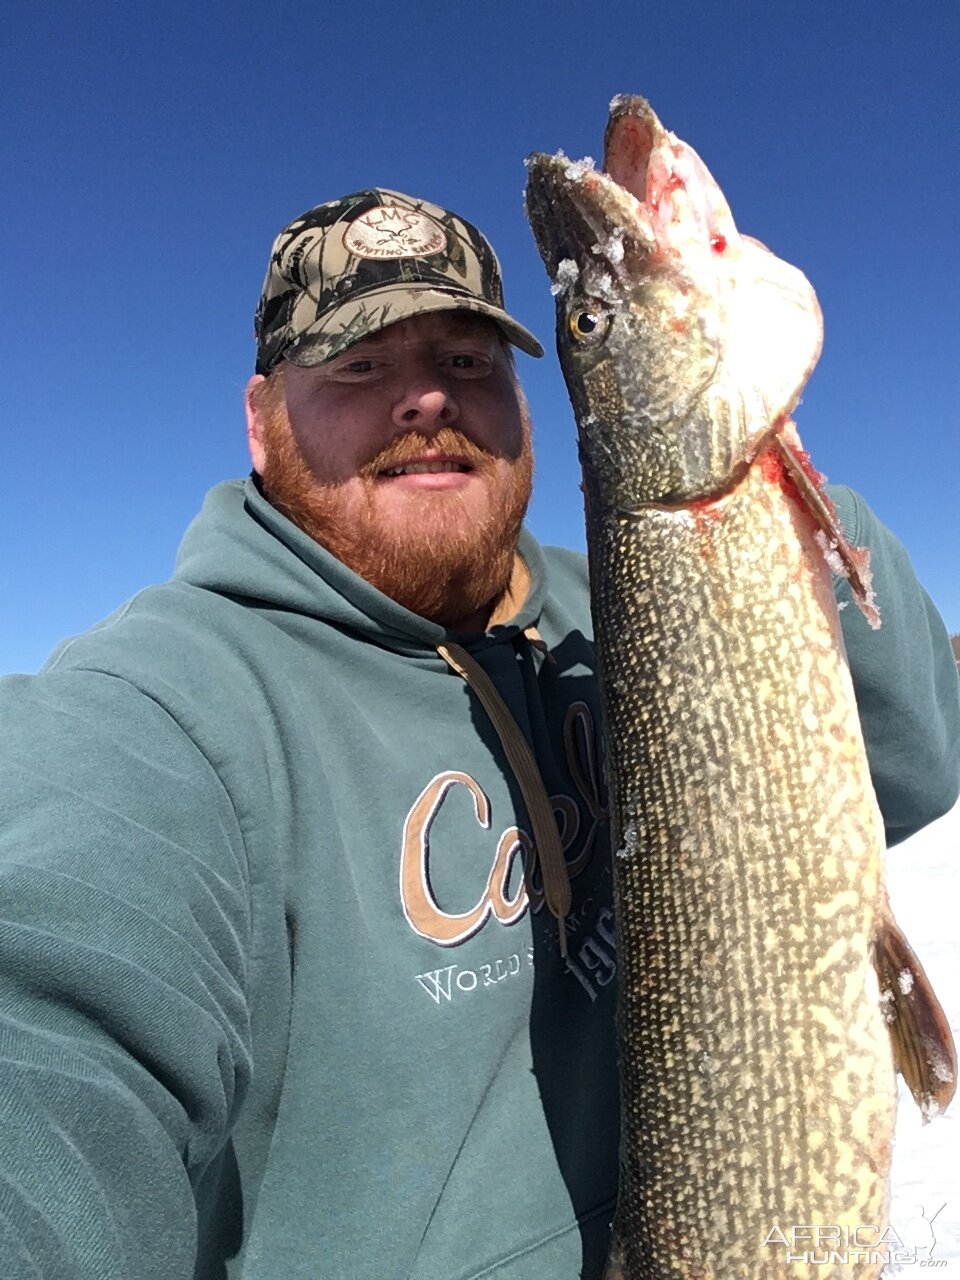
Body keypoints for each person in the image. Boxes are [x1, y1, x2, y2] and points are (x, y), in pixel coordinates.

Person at [0, 187, 957, 1280]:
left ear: (524, 406)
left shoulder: (629, 611)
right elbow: (45, 1041)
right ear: (261, 420)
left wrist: (775, 490)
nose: (423, 399)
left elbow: (918, 764)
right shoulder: (157, 714)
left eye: (468, 361)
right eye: (356, 365)